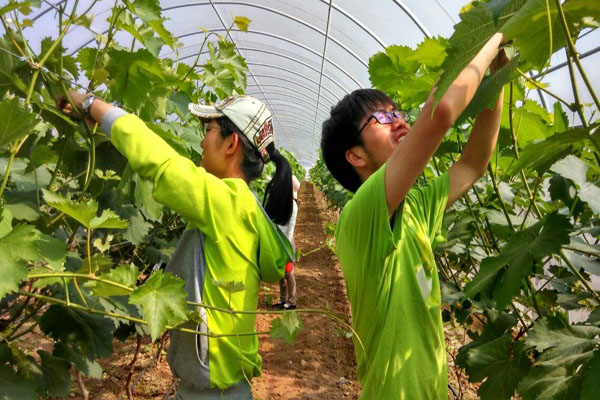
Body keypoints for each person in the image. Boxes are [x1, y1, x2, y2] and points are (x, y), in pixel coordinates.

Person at [58, 93, 295, 399]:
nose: (202, 142)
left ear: (231, 144)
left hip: (212, 389)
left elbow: (160, 162)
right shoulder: (247, 206)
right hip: (224, 383)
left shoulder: (226, 201)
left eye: (208, 130)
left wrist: (92, 105)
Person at [320, 33, 508, 399]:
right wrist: (492, 36)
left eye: (398, 113)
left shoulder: (416, 206)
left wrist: (498, 76)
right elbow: (441, 114)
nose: (399, 121)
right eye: (382, 117)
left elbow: (473, 163)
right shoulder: (361, 214)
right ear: (355, 156)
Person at [274, 175, 301, 310]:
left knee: (288, 273)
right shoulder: (284, 203)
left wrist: (286, 245)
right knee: (281, 272)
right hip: (280, 240)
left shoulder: (293, 206)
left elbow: (291, 228)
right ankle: (283, 299)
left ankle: (292, 301)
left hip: (286, 242)